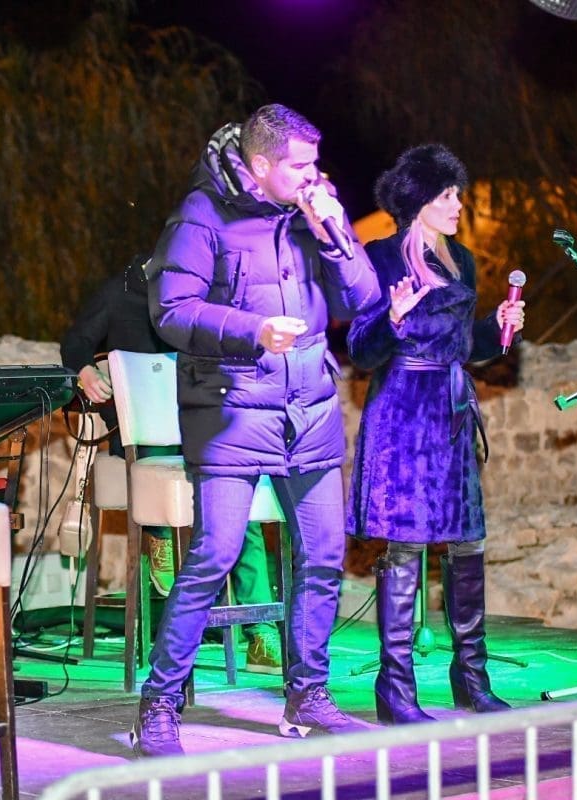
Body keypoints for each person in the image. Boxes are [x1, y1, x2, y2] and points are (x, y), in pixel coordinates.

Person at [132, 103, 380, 756]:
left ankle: (309, 695)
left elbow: (362, 301)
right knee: (215, 553)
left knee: (323, 555)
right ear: (262, 164)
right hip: (232, 408)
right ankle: (159, 702)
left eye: (316, 165)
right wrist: (253, 331)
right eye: (300, 167)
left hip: (311, 410)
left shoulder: (311, 214)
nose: (312, 177)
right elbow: (171, 310)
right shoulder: (203, 213)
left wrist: (335, 232)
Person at [346, 144, 525, 724]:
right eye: (447, 196)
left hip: (450, 411)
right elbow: (361, 350)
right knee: (406, 545)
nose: (457, 205)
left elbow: (463, 347)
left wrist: (496, 329)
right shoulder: (379, 257)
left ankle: (471, 678)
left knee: (468, 540)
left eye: (456, 195)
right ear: (420, 200)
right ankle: (395, 689)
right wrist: (392, 318)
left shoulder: (462, 260)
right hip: (402, 411)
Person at [59, 256, 283, 674]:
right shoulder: (120, 292)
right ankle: (160, 535)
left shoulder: (200, 297)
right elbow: (75, 342)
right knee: (162, 457)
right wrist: (85, 370)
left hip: (198, 427)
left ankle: (260, 633)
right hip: (143, 438)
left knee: (237, 493)